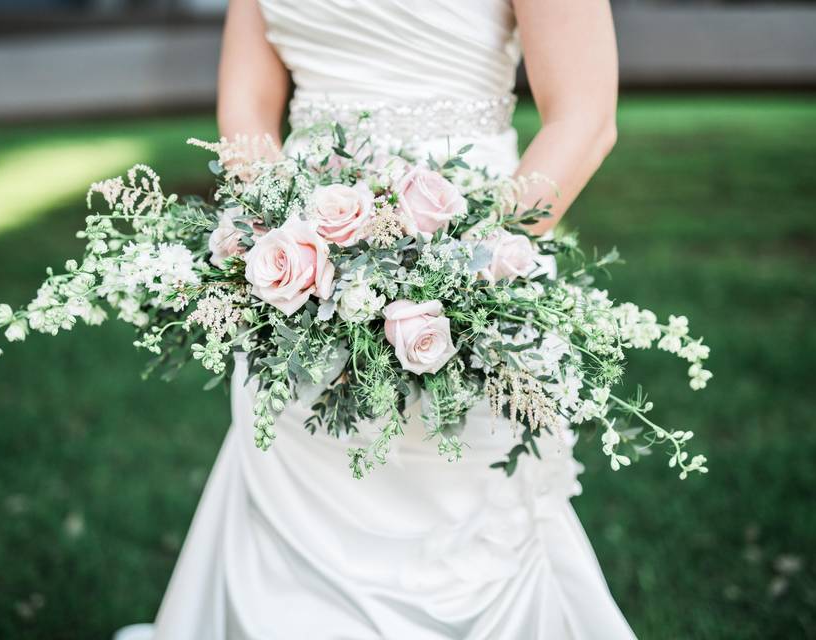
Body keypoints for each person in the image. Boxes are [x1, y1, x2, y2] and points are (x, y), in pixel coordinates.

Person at [118, 1, 632, 637]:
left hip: (478, 268)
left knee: (466, 511)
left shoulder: (472, 272)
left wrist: (462, 271)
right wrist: (288, 245)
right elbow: (246, 109)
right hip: (301, 280)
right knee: (296, 516)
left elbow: (585, 118)